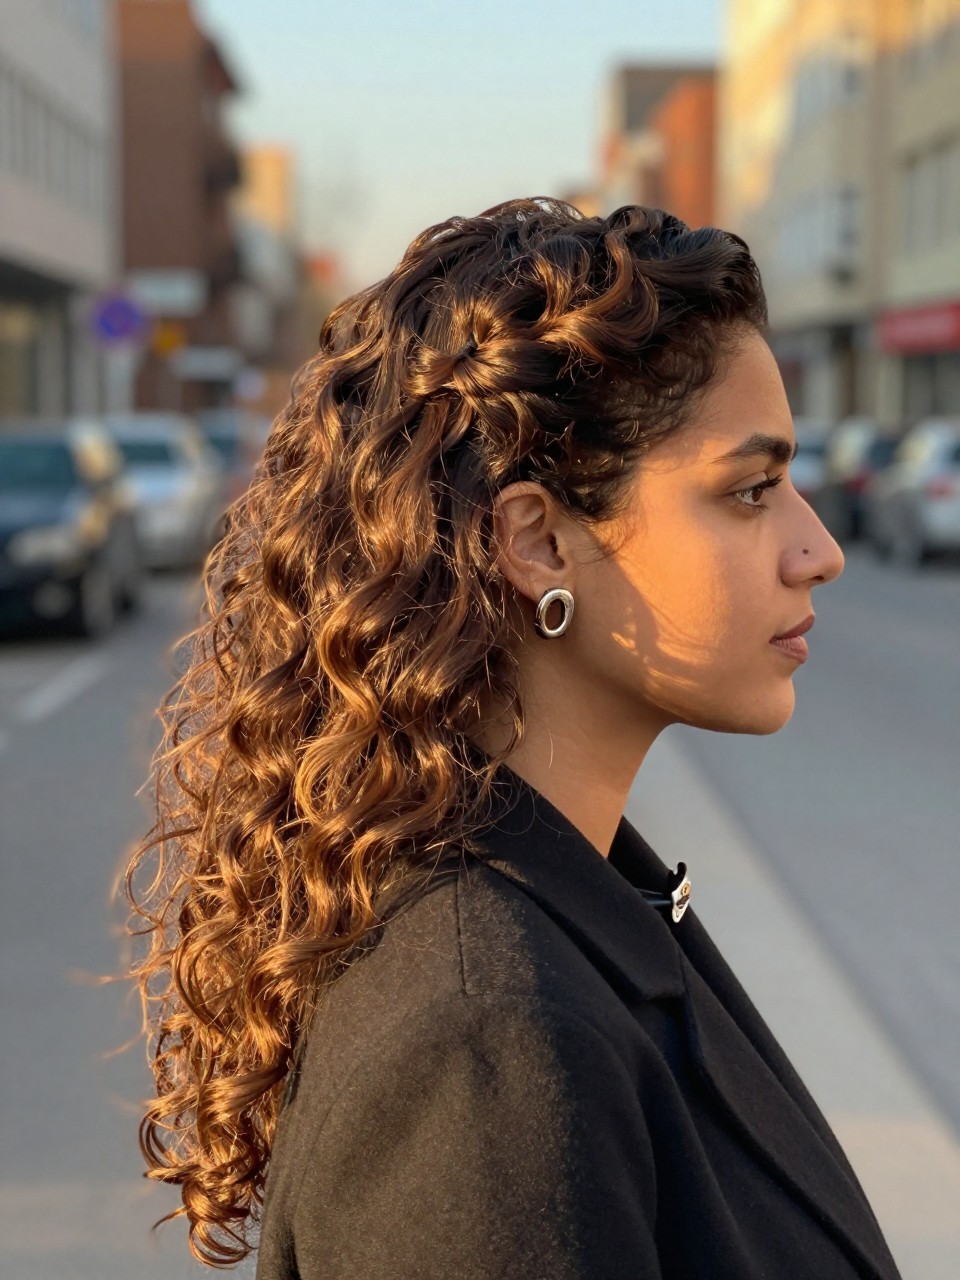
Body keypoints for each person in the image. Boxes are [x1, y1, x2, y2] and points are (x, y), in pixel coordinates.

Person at [122, 197, 903, 1278]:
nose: (818, 548)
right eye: (752, 489)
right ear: (536, 540)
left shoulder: (581, 909)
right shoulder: (488, 1046)